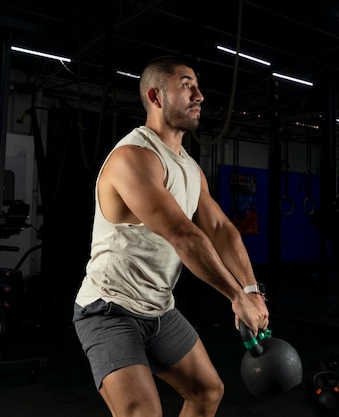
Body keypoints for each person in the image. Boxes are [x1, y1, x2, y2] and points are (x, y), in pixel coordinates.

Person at [72, 55, 270, 417]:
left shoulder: (189, 167)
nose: (199, 95)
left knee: (207, 392)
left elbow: (221, 229)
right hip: (109, 308)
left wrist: (251, 289)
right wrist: (236, 297)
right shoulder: (134, 157)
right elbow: (185, 236)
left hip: (159, 309)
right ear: (156, 96)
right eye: (186, 85)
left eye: (196, 85)